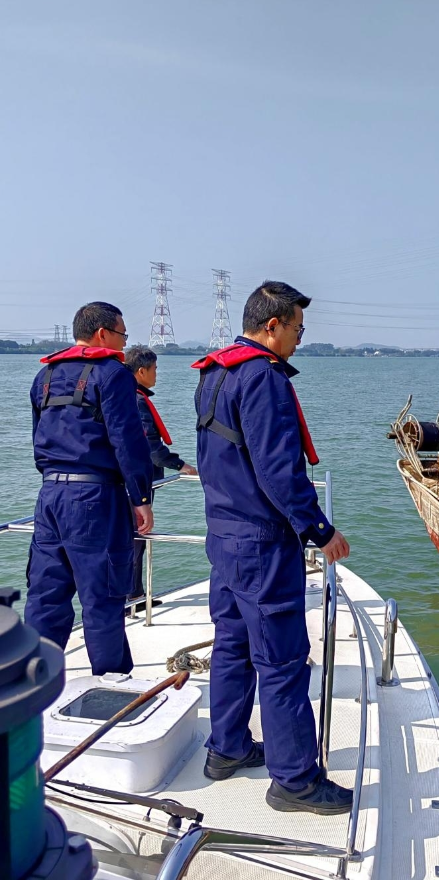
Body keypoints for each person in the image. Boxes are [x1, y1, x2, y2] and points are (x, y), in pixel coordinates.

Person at [194, 280, 352, 815]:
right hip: (261, 544)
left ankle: (227, 748)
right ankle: (295, 781)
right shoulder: (263, 377)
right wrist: (321, 530)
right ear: (272, 326)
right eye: (298, 330)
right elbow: (280, 472)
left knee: (232, 646)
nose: (299, 340)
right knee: (282, 662)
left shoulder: (215, 372)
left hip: (224, 536)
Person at [25, 302, 154, 675]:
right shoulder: (113, 374)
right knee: (103, 599)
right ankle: (112, 688)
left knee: (45, 597)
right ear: (103, 334)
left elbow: (38, 438)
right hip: (95, 498)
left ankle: (32, 685)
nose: (124, 343)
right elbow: (128, 441)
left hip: (50, 496)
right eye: (122, 334)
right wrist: (141, 498)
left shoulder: (44, 376)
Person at [124, 346, 197, 609]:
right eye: (154, 369)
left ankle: (133, 594)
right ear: (141, 371)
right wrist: (180, 465)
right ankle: (132, 596)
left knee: (132, 539)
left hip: (127, 481)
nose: (157, 373)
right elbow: (151, 448)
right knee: (137, 538)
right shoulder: (137, 401)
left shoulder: (125, 396)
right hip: (135, 484)